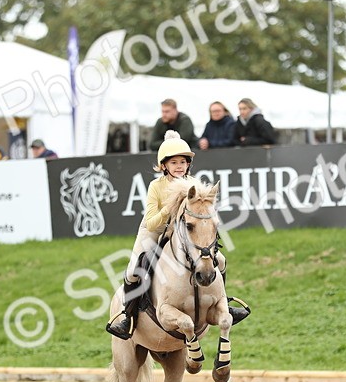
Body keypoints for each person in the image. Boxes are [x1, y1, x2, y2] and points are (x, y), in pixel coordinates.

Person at [105, 130, 250, 340]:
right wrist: (170, 209)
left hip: (185, 234)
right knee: (132, 270)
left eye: (183, 161)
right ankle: (128, 318)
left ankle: (224, 304)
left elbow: (203, 212)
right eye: (174, 162)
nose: (179, 166)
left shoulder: (194, 184)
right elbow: (152, 221)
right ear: (164, 165)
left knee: (221, 260)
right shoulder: (156, 186)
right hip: (155, 231)